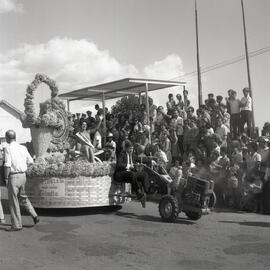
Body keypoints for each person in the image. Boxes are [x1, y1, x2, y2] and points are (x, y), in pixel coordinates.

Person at [3, 130, 40, 231]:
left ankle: (17, 224)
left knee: (14, 201)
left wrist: (5, 178)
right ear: (15, 137)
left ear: (7, 138)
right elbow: (31, 161)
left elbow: (7, 164)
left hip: (13, 176)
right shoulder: (23, 147)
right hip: (23, 175)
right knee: (23, 197)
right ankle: (34, 215)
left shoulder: (8, 148)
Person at [114, 140, 149, 208]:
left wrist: (151, 161)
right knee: (132, 174)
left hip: (129, 174)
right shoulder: (122, 154)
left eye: (132, 148)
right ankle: (139, 194)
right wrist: (129, 166)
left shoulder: (132, 155)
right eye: (130, 148)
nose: (131, 150)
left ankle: (147, 192)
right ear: (126, 148)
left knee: (144, 174)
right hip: (120, 174)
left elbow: (141, 159)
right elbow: (119, 165)